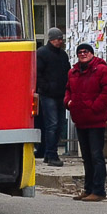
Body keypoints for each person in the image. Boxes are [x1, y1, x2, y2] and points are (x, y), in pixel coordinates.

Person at [64, 42, 107, 201]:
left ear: (92, 53)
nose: (83, 54)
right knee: (86, 157)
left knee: (96, 156)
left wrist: (95, 107)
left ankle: (99, 190)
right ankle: (88, 189)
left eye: (86, 51)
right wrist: (68, 102)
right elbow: (67, 90)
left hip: (95, 120)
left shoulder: (102, 70)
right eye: (80, 52)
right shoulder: (73, 72)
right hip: (80, 120)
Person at [35, 27, 70, 167]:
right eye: (58, 39)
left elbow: (67, 71)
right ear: (51, 39)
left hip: (60, 93)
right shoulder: (42, 53)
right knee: (53, 124)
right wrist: (45, 87)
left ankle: (49, 154)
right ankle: (52, 153)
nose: (60, 41)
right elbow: (38, 74)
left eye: (61, 39)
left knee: (58, 124)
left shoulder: (62, 55)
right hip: (48, 94)